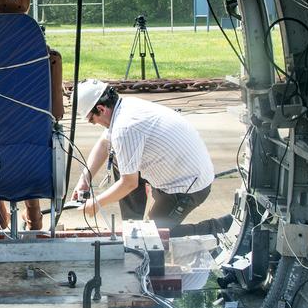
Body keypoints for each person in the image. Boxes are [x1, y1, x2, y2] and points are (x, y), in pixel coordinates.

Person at [71, 79, 214, 228]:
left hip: (187, 187)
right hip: (177, 171)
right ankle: (132, 225)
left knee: (153, 239)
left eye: (92, 120)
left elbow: (129, 183)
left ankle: (220, 227)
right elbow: (104, 143)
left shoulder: (125, 128)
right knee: (119, 159)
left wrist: (97, 204)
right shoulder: (125, 106)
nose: (95, 123)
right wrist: (84, 181)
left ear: (101, 109)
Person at [0, 0, 63, 231]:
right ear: (27, 6)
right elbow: (56, 112)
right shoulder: (43, 52)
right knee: (31, 145)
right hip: (30, 146)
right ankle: (35, 220)